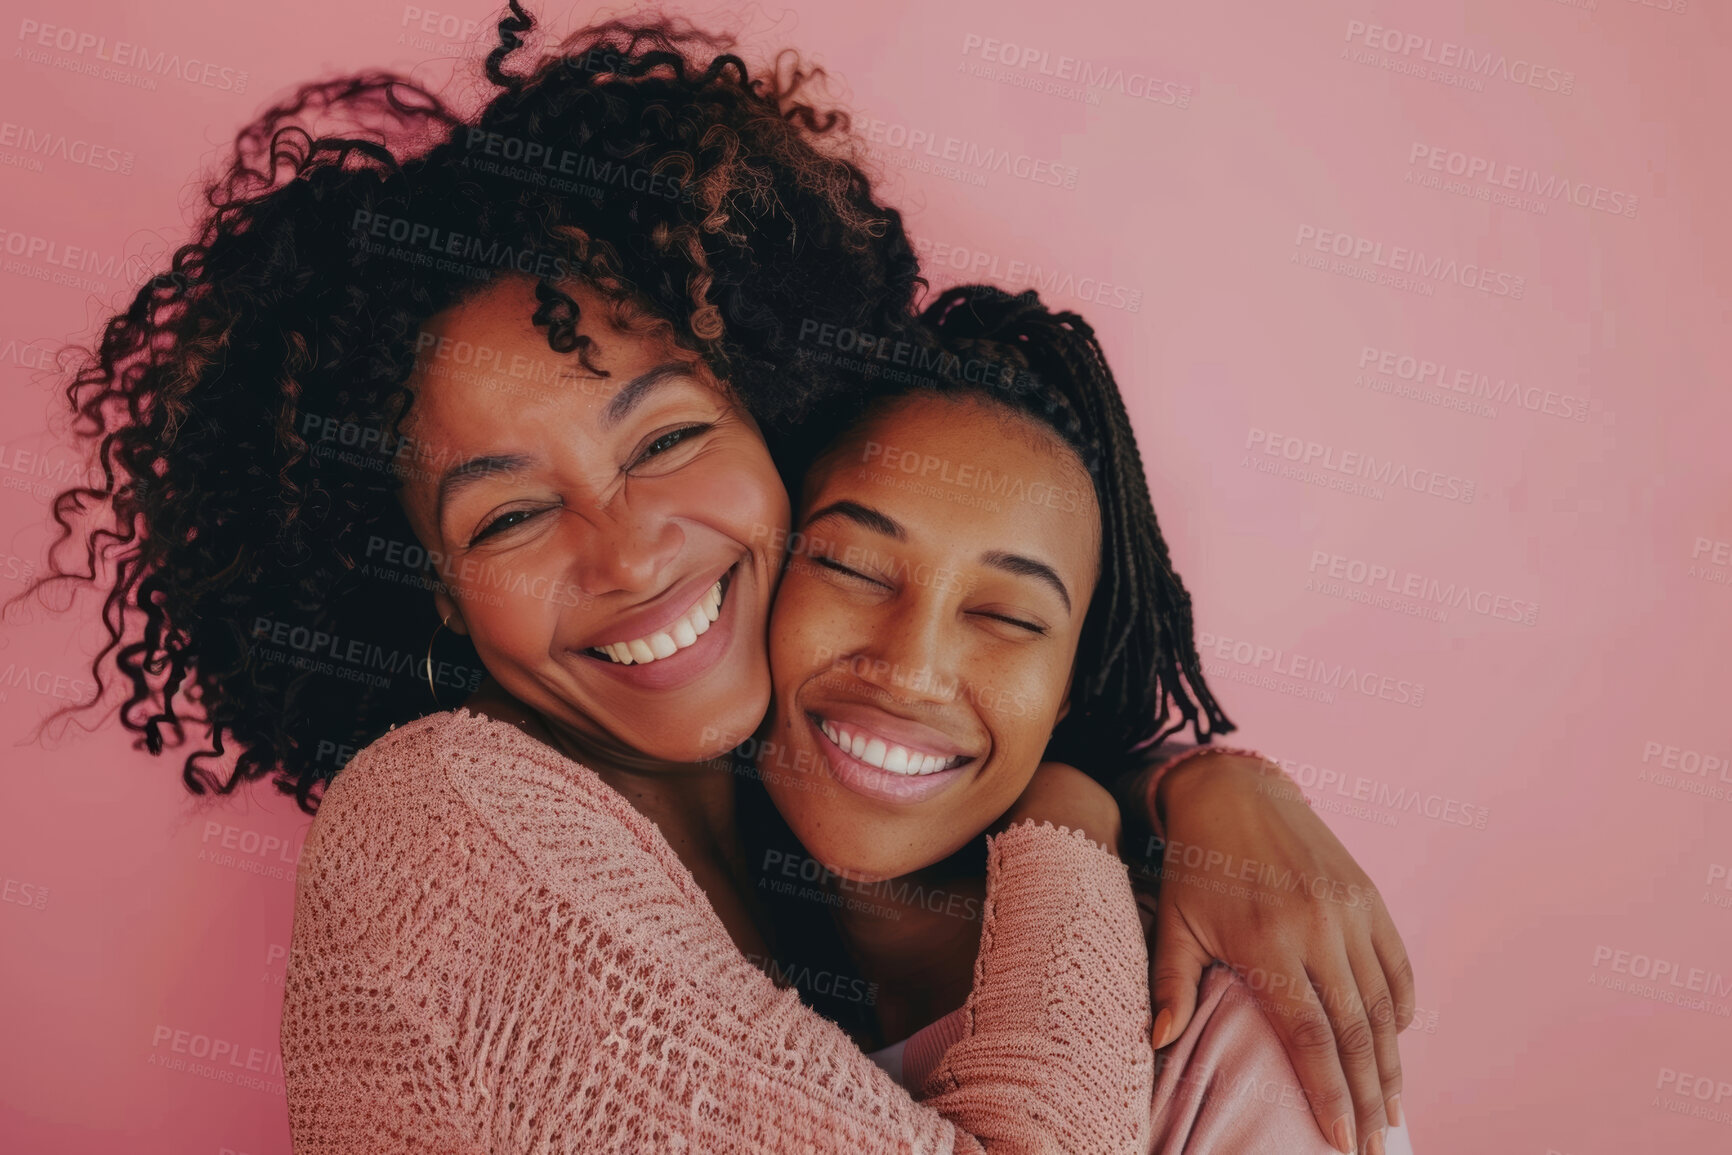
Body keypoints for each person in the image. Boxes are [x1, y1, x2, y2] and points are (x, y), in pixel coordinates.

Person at [24, 9, 1410, 1150]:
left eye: (672, 437)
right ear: (430, 587)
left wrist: (1201, 772)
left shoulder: (779, 858)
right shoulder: (444, 830)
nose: (628, 553)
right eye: (508, 515)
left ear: (770, 420)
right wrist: (1075, 804)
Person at [747, 285, 1415, 1154]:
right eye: (855, 567)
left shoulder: (1228, 1036)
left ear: (1067, 688)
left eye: (1010, 618)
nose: (912, 669)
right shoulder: (629, 920)